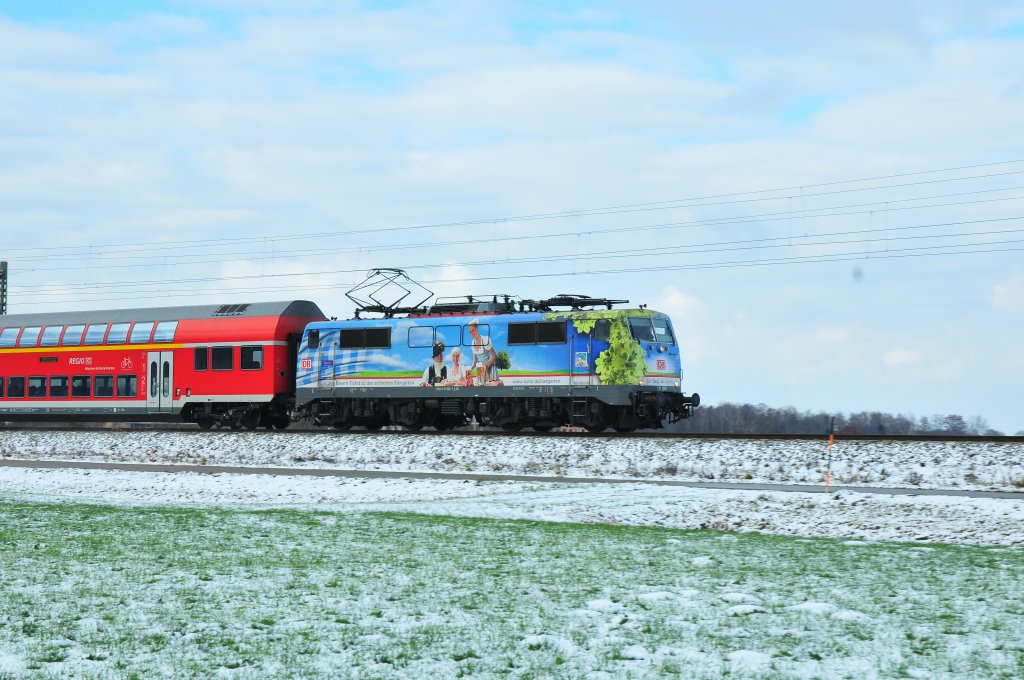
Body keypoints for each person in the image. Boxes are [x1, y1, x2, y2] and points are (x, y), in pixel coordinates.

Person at [467, 318, 498, 383]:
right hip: (480, 370)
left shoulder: (485, 340)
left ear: (477, 328)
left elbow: (494, 356)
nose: (472, 333)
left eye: (473, 330)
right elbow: (475, 361)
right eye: (470, 332)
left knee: (491, 386)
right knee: (481, 385)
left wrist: (486, 366)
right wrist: (471, 367)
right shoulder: (473, 343)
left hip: (489, 368)